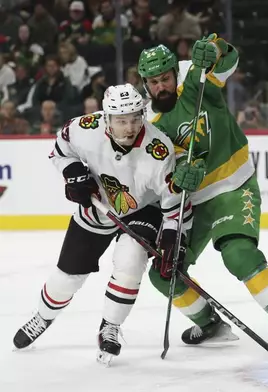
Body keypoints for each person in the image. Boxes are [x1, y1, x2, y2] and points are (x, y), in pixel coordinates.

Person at [137, 36, 268, 364]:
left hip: (232, 185)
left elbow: (228, 60)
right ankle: (210, 325)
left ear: (173, 73)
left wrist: (216, 50)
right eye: (153, 83)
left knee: (238, 254)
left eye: (165, 78)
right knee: (164, 272)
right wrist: (178, 176)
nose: (161, 86)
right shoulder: (148, 124)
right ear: (145, 84)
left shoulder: (194, 78)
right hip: (193, 203)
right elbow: (158, 172)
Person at [12, 83, 191, 365]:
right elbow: (61, 148)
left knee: (130, 260)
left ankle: (111, 327)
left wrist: (172, 240)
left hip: (143, 209)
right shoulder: (84, 128)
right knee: (66, 279)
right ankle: (42, 317)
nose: (130, 127)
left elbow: (175, 205)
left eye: (135, 118)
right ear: (106, 118)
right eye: (121, 121)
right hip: (99, 205)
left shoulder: (159, 150)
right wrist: (73, 174)